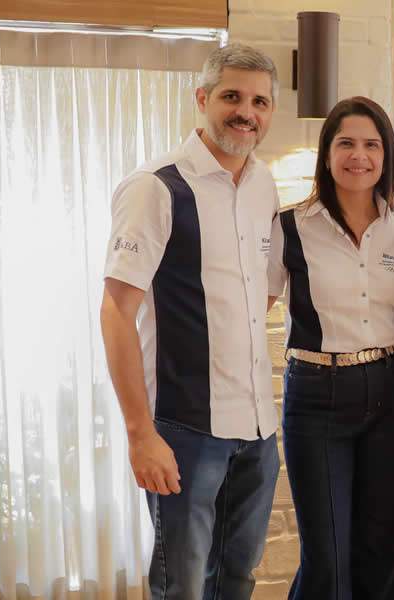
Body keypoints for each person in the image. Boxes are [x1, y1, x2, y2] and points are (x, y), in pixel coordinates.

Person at [100, 43, 281, 598]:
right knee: (180, 587)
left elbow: (257, 294)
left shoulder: (264, 184)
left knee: (236, 580)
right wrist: (141, 435)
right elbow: (116, 312)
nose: (245, 112)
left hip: (258, 430)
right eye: (232, 97)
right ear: (202, 99)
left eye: (259, 102)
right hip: (183, 430)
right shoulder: (155, 186)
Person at [267, 96, 394, 600]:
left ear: (386, 155)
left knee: (382, 551)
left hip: (391, 390)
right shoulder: (290, 226)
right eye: (346, 143)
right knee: (327, 561)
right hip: (316, 396)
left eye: (372, 145)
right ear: (327, 154)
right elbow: (249, 308)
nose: (359, 155)